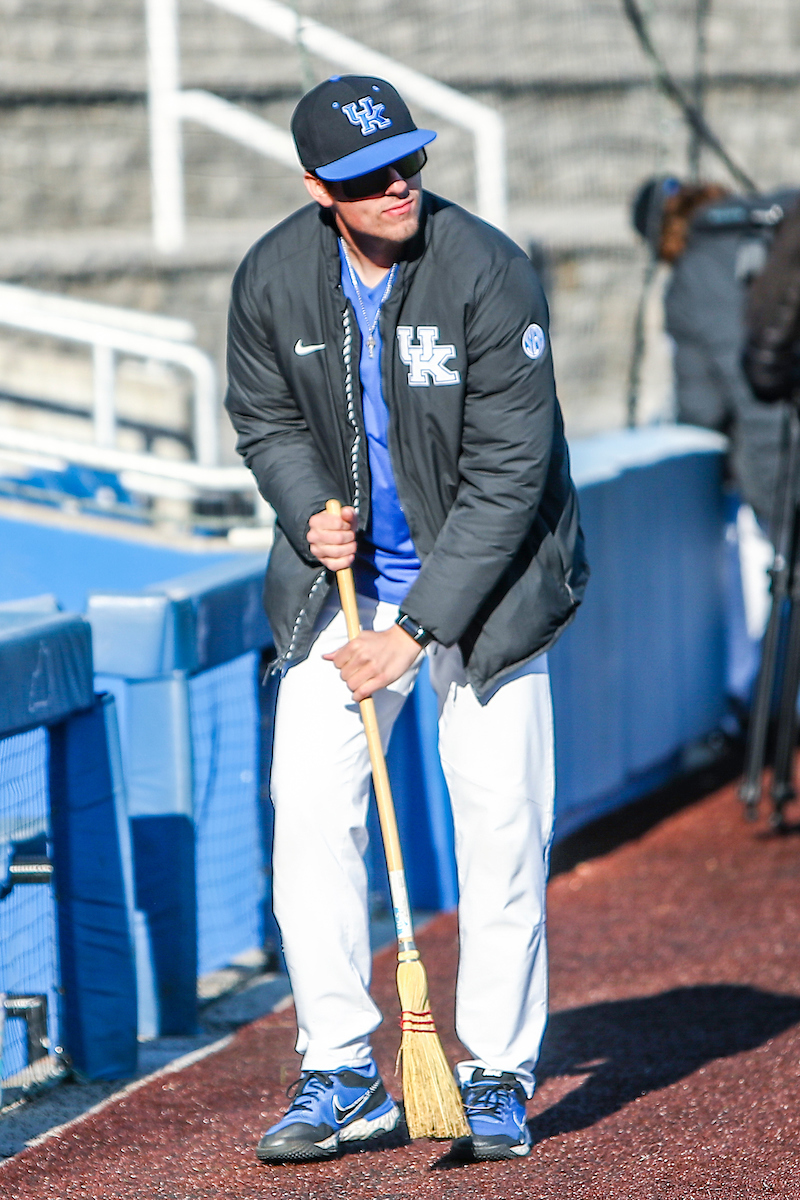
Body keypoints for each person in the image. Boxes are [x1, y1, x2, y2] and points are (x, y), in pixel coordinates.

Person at [225, 74, 588, 1165]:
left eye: (408, 164)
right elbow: (264, 418)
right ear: (316, 188)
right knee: (308, 817)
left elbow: (507, 477)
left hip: (485, 593)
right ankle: (341, 1072)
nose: (396, 187)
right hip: (338, 586)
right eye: (365, 177)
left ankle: (493, 1071)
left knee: (500, 828)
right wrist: (306, 509)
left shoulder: (485, 271)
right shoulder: (271, 276)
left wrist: (415, 630)